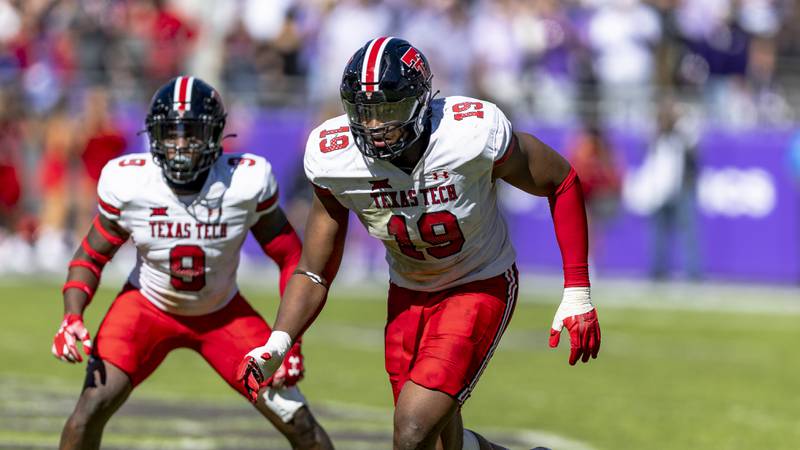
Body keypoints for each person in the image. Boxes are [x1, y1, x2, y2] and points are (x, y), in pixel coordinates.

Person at [238, 38, 602, 450]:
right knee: (440, 441)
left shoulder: (468, 134)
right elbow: (314, 269)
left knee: (411, 428)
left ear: (419, 102)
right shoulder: (333, 156)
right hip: (408, 294)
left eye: (387, 111)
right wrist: (278, 340)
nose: (374, 126)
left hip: (478, 283)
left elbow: (561, 179)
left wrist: (577, 291)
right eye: (364, 112)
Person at [52, 76, 333, 450]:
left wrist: (287, 345)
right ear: (154, 135)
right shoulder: (132, 182)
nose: (181, 145)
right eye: (171, 133)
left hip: (223, 314)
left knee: (301, 426)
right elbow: (90, 256)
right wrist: (72, 315)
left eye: (192, 133)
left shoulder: (244, 181)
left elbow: (292, 259)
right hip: (147, 307)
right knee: (89, 410)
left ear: (216, 135)